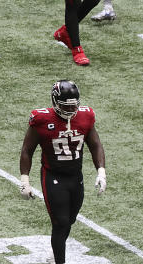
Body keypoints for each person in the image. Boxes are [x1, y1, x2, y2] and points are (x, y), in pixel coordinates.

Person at [19, 80, 106, 264]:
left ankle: (56, 250)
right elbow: (27, 150)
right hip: (53, 176)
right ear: (55, 102)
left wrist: (101, 171)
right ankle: (59, 260)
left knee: (70, 220)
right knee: (60, 222)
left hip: (76, 176)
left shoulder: (85, 116)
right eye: (66, 106)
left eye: (73, 105)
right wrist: (25, 180)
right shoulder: (42, 120)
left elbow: (95, 144)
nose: (70, 110)